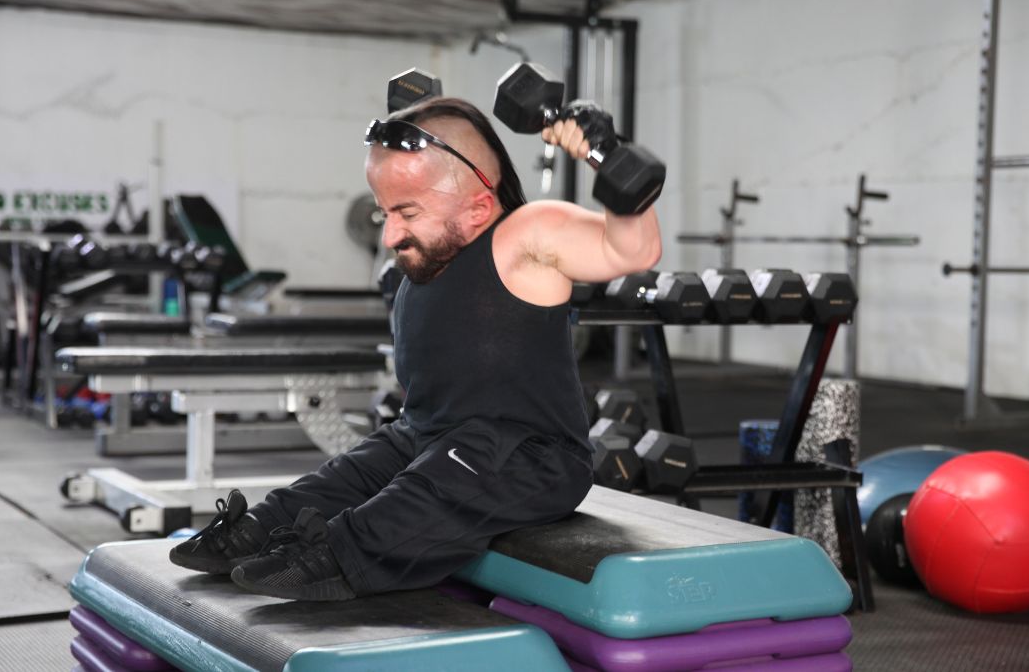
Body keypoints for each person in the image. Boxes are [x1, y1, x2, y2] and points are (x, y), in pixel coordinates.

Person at [169, 96, 662, 601]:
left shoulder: (524, 237)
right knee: (345, 475)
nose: (389, 235)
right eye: (384, 211)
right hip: (426, 435)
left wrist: (605, 152)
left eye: (406, 212)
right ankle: (257, 530)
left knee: (425, 491)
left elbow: (634, 249)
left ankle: (337, 557)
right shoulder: (428, 257)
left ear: (478, 207)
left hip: (529, 455)